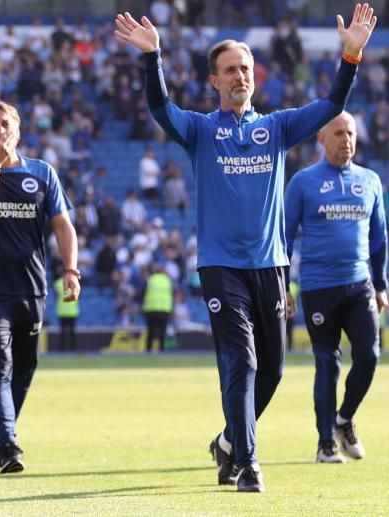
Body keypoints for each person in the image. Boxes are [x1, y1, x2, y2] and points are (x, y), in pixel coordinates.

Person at [115, 3, 375, 492]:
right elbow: (160, 110)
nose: (241, 75)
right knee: (244, 362)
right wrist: (152, 59)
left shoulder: (276, 127)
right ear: (214, 80)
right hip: (220, 267)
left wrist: (352, 57)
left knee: (273, 370)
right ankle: (249, 463)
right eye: (231, 69)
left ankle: (230, 443)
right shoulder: (200, 130)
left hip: (271, 265)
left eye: (247, 69)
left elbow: (330, 104)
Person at [0, 100, 80, 474]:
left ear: (19, 129)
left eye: (5, 125)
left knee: (25, 366)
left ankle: (0, 438)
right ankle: (9, 442)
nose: (0, 132)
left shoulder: (42, 173)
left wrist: (71, 270)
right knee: (0, 362)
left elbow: (62, 225)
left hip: (31, 288)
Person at [284, 111, 386, 464]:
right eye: (339, 133)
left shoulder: (370, 180)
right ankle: (326, 441)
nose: (346, 139)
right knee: (327, 363)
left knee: (370, 355)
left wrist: (381, 283)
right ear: (321, 138)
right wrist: (285, 285)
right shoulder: (302, 182)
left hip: (360, 285)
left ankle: (343, 419)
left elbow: (378, 238)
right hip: (318, 287)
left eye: (351, 133)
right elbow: (284, 235)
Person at [142, 263, 173, 353]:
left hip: (151, 309)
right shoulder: (167, 280)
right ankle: (161, 350)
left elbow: (143, 293)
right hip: (164, 309)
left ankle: (148, 350)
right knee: (162, 331)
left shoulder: (150, 279)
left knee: (150, 331)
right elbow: (172, 295)